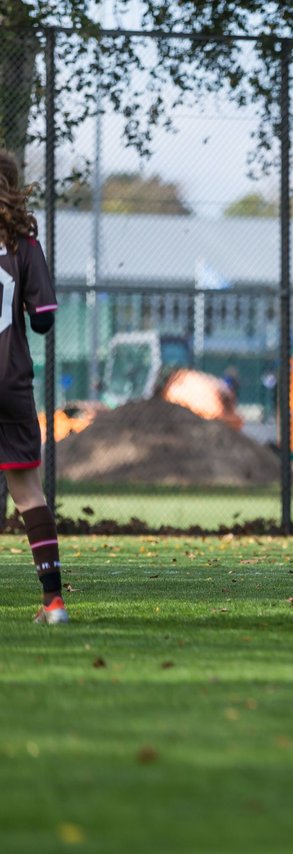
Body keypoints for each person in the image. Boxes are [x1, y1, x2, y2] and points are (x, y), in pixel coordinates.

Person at [0, 150, 66, 623]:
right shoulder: (24, 242)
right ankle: (54, 602)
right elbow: (43, 318)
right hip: (10, 382)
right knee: (28, 493)